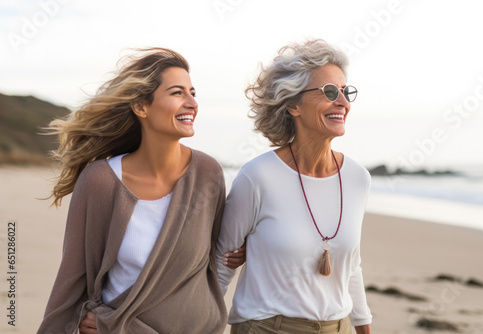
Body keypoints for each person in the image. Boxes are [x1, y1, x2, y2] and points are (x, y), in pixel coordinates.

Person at [38, 48, 245, 334]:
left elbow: (215, 256)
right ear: (141, 106)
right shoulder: (101, 180)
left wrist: (245, 249)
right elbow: (72, 278)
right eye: (177, 93)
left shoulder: (207, 173)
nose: (191, 103)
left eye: (192, 93)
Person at [216, 39, 373, 334]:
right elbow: (222, 264)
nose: (342, 102)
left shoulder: (357, 178)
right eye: (329, 92)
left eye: (345, 91)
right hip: (266, 328)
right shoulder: (257, 177)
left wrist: (363, 327)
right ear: (293, 105)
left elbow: (353, 266)